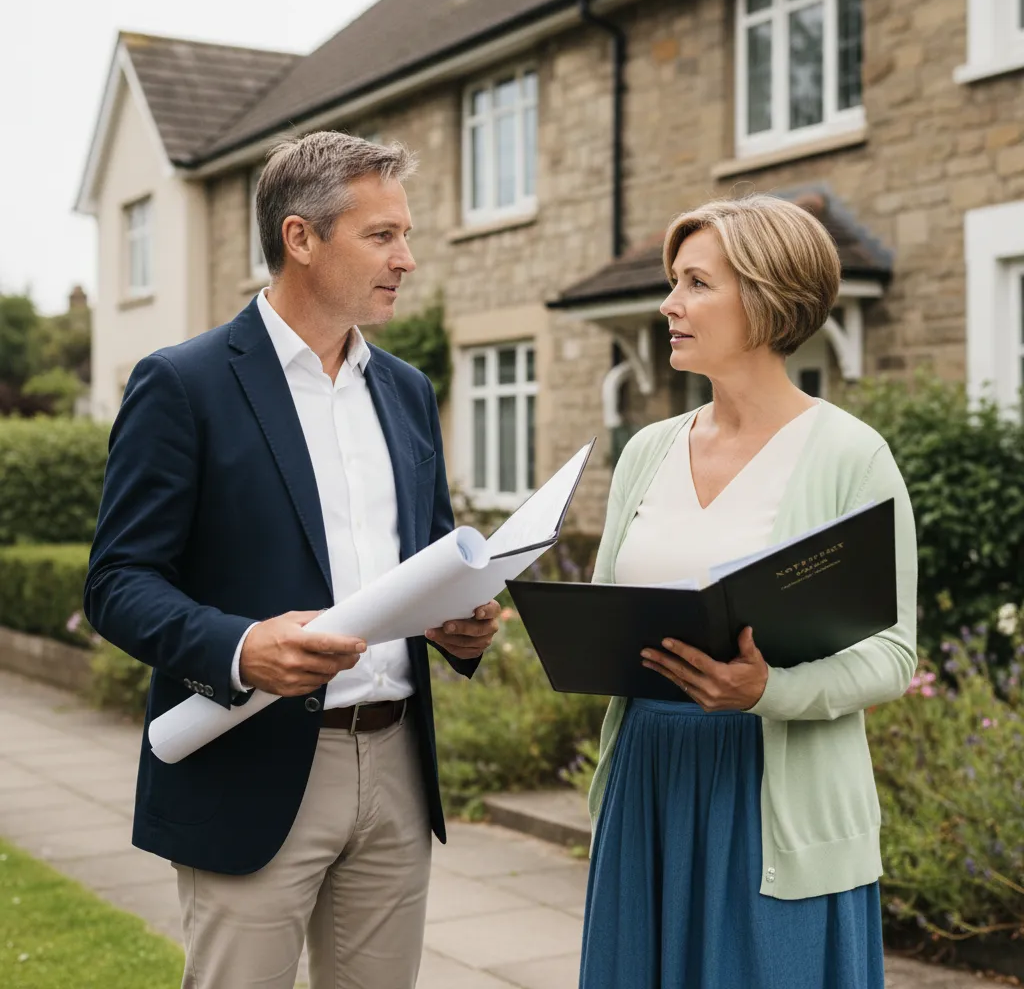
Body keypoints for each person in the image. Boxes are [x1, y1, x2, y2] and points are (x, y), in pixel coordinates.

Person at [84, 132, 500, 989]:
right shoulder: (183, 383)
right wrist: (241, 647)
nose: (408, 259)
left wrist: (462, 625)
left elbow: (425, 561)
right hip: (248, 764)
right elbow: (117, 583)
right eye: (381, 235)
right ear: (300, 238)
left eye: (405, 235)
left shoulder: (410, 392)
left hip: (395, 768)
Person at [579, 195, 918, 989]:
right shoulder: (646, 452)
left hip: (775, 794)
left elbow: (892, 656)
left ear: (766, 301)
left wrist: (770, 688)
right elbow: (605, 613)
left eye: (696, 283)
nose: (669, 303)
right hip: (649, 777)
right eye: (673, 281)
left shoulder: (851, 456)